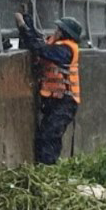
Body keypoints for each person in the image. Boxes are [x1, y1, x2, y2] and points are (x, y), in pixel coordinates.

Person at [14, 12, 82, 165]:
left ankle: (47, 167)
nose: (54, 32)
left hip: (65, 103)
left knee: (49, 136)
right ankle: (48, 166)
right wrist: (28, 21)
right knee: (47, 135)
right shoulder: (57, 47)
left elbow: (40, 49)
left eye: (58, 30)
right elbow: (39, 42)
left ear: (64, 34)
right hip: (56, 102)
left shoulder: (66, 50)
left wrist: (23, 28)